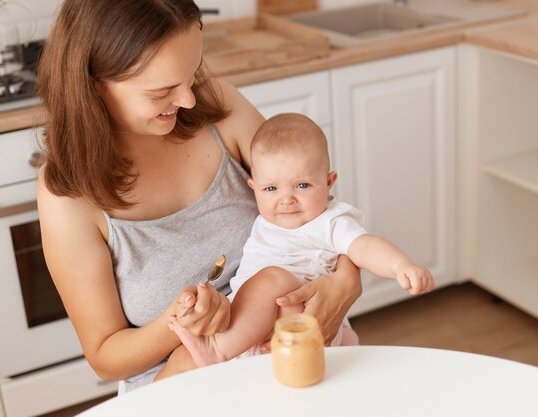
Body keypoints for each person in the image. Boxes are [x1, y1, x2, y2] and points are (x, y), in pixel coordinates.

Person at [36, 0, 362, 393]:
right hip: (181, 387)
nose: (189, 100)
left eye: (191, 75)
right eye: (162, 91)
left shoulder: (221, 109)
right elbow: (105, 356)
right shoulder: (69, 194)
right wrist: (179, 320)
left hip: (292, 356)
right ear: (93, 85)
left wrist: (344, 285)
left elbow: (321, 216)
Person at [165, 112, 435, 370]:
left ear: (329, 182)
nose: (286, 198)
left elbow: (365, 246)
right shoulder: (266, 222)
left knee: (274, 280)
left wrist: (401, 266)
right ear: (254, 188)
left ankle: (216, 350)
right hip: (249, 335)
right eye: (271, 188)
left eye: (302, 185)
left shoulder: (330, 222)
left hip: (305, 324)